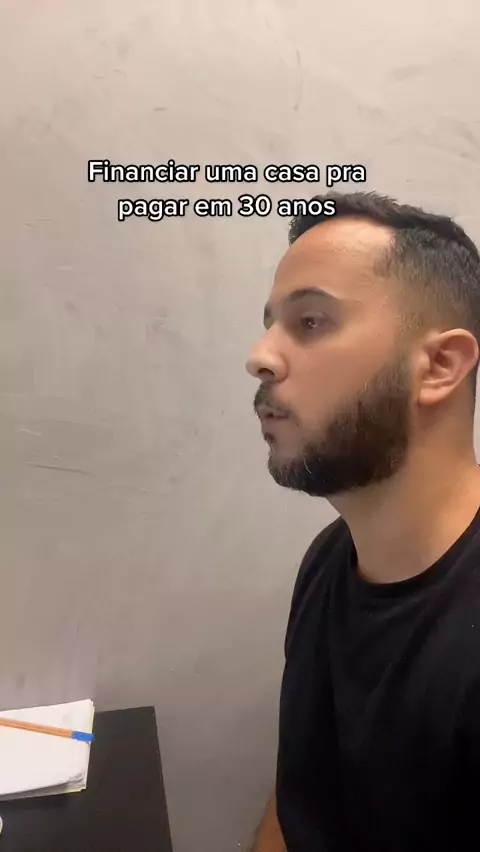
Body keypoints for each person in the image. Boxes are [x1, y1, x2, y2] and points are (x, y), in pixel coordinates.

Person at [245, 191, 480, 852]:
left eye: (310, 321)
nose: (260, 356)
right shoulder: (330, 559)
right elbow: (300, 800)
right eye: (270, 324)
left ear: (438, 366)